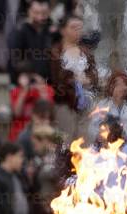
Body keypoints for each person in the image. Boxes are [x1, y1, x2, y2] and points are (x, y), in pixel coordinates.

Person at [51, 15, 98, 145]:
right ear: (63, 30)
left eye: (79, 28)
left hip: (86, 101)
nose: (77, 30)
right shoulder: (56, 52)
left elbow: (94, 74)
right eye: (73, 27)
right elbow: (55, 78)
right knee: (66, 141)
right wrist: (73, 80)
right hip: (65, 102)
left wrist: (88, 79)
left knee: (84, 142)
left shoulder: (85, 52)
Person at [88, 71, 127, 174]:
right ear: (111, 87)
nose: (123, 87)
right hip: (105, 147)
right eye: (119, 85)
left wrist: (122, 137)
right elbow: (92, 127)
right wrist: (99, 136)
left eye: (125, 84)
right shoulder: (102, 105)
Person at [26, 125, 60, 214]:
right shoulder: (38, 160)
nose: (34, 148)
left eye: (36, 144)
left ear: (45, 141)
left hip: (53, 210)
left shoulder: (58, 158)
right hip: (39, 209)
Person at [8, 0, 53, 83]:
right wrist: (31, 75)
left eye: (44, 13)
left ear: (49, 12)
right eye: (36, 13)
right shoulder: (19, 31)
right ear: (29, 11)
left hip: (48, 82)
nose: (40, 17)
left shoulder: (51, 31)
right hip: (26, 80)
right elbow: (14, 61)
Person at [9, 66, 55, 142]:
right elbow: (17, 113)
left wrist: (41, 86)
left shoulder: (46, 90)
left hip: (41, 129)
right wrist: (24, 90)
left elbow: (49, 110)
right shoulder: (16, 91)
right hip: (20, 131)